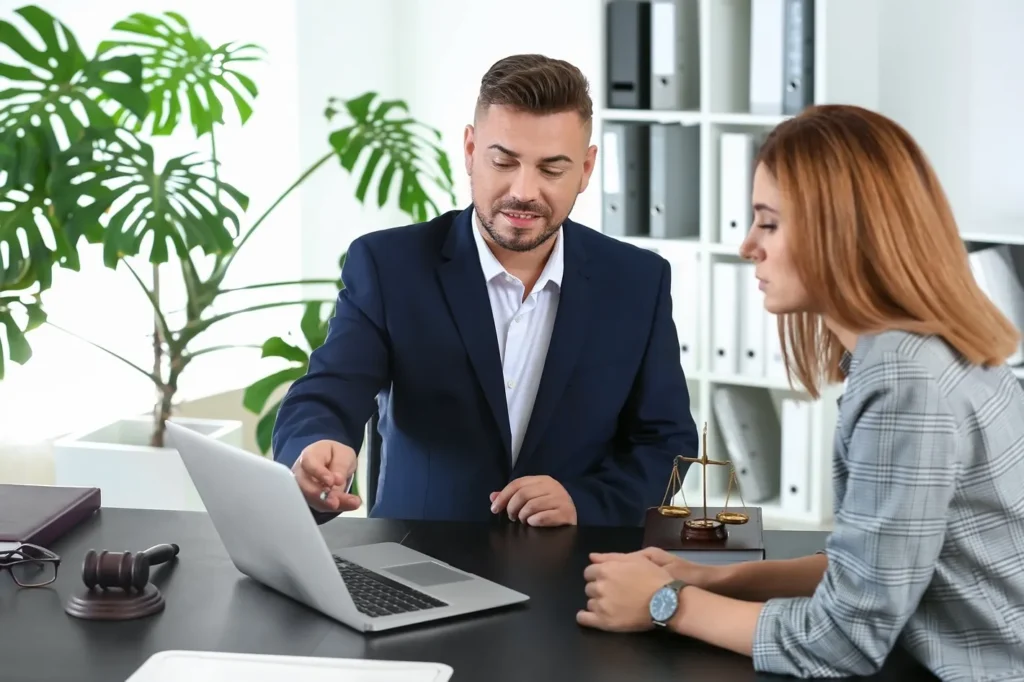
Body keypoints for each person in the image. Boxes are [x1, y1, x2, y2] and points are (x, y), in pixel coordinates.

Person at [576, 104, 1024, 680]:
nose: (747, 247)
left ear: (837, 229)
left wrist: (667, 605)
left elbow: (843, 640)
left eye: (768, 222)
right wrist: (716, 577)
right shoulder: (923, 347)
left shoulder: (904, 381)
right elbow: (873, 566)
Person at [271, 53, 699, 527]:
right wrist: (314, 447)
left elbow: (666, 441)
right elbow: (329, 392)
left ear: (586, 167)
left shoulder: (638, 280)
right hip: (420, 562)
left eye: (551, 170)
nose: (524, 191)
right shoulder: (390, 266)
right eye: (504, 161)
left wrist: (584, 502)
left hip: (577, 573)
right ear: (471, 150)